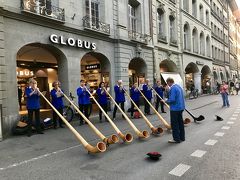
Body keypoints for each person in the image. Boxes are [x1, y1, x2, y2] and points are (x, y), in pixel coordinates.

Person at [162, 77, 185, 143]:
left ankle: (176, 139)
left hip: (175, 109)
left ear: (169, 82)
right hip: (181, 107)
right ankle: (182, 137)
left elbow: (172, 99)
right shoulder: (178, 86)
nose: (167, 84)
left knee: (174, 124)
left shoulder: (173, 88)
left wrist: (165, 101)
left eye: (167, 83)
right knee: (180, 123)